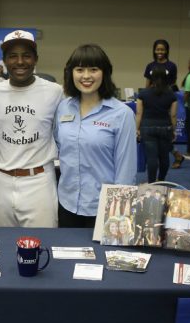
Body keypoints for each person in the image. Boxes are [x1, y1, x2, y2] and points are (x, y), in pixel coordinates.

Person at [0, 30, 63, 227]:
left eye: (26, 55)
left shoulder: (55, 91)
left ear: (36, 59)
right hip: (1, 180)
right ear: (4, 60)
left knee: (42, 245)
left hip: (39, 181)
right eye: (13, 56)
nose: (20, 62)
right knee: (3, 246)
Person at [55, 44, 137, 228]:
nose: (86, 76)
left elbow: (126, 170)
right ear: (71, 73)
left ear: (105, 73)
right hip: (67, 203)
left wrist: (119, 215)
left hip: (104, 208)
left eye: (93, 69)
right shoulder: (63, 108)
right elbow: (60, 147)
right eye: (79, 69)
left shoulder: (121, 114)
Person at [143, 39, 183, 169]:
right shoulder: (150, 66)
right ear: (154, 50)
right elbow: (147, 84)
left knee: (163, 132)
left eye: (162, 49)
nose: (160, 52)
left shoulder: (172, 66)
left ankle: (174, 155)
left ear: (166, 51)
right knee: (155, 132)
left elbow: (172, 83)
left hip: (165, 100)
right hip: (152, 99)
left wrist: (164, 95)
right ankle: (176, 154)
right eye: (157, 49)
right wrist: (146, 96)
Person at [136, 64, 177, 183]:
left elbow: (139, 113)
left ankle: (152, 183)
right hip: (165, 127)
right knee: (164, 157)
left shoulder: (143, 94)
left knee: (151, 157)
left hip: (147, 127)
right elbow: (173, 115)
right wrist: (173, 130)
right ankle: (161, 179)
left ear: (151, 78)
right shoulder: (171, 94)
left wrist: (137, 129)